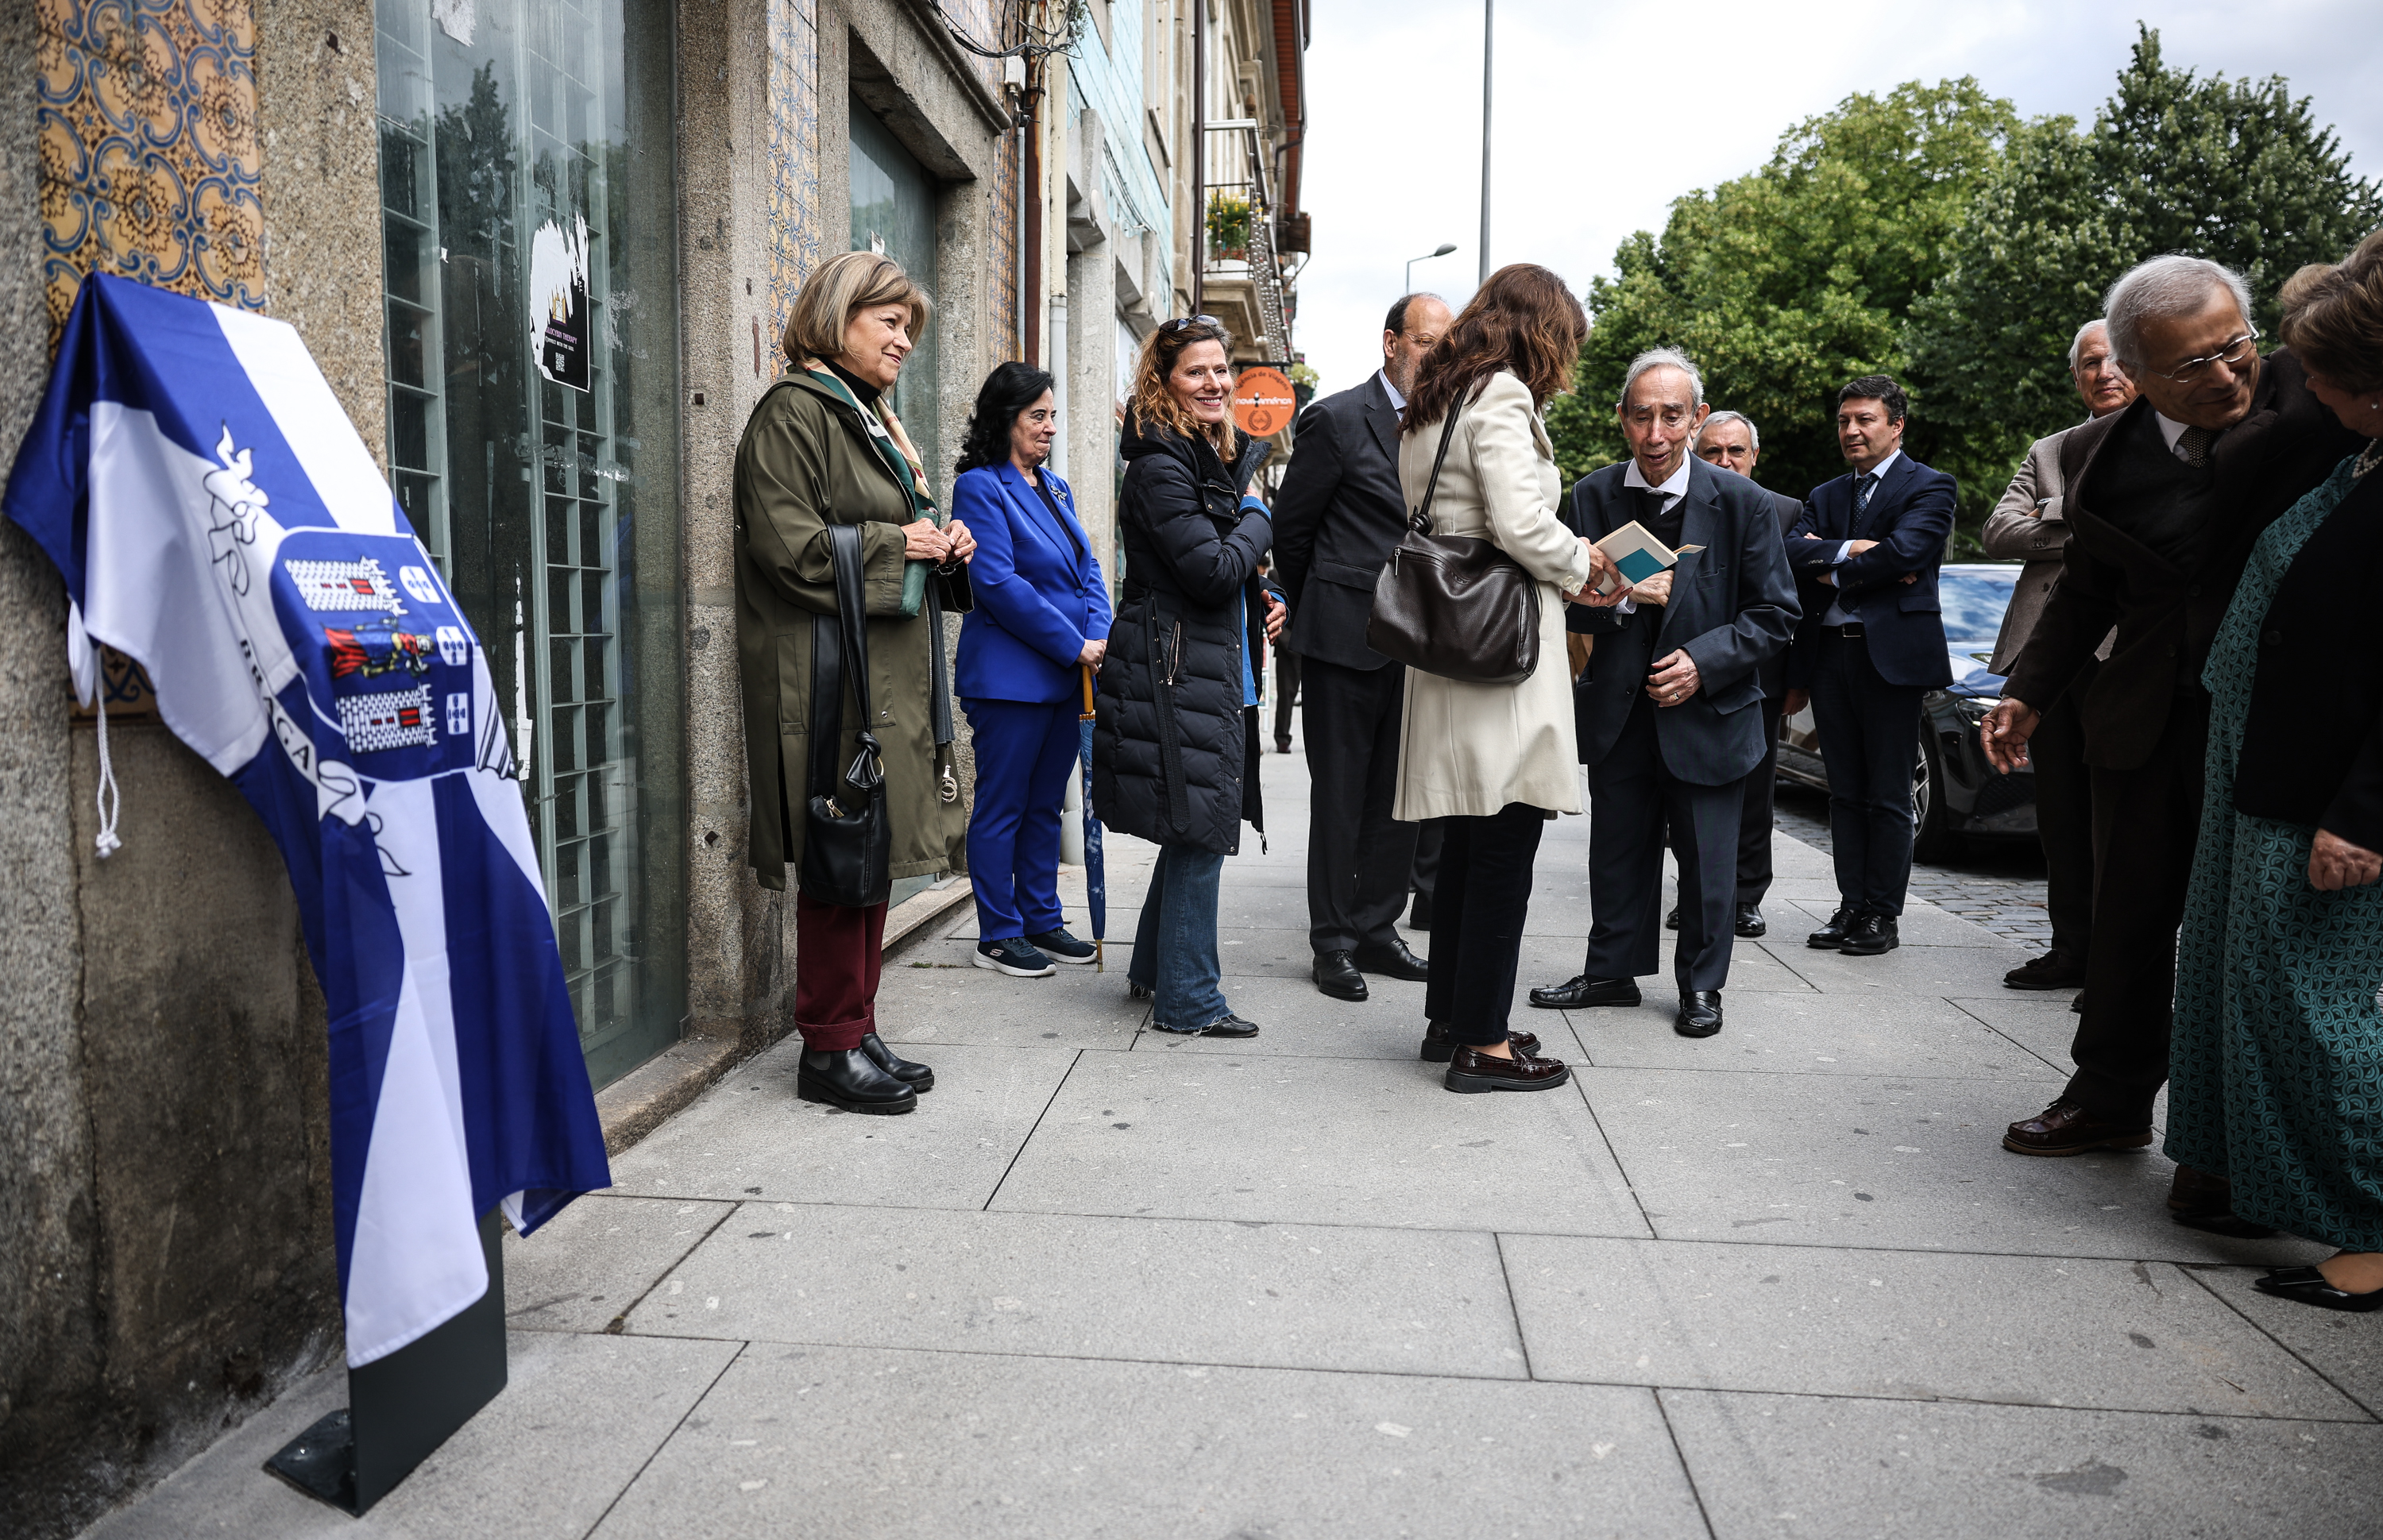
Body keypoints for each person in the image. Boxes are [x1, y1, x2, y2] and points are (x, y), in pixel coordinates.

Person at [1983, 257, 2364, 1172]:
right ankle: (2107, 1098)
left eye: (2235, 347)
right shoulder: (2101, 457)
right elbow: (2084, 590)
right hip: (2147, 716)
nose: (2227, 375)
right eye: (2192, 367)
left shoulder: (2320, 403)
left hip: (2281, 724)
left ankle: (2226, 1151)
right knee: (2128, 918)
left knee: (2253, 938)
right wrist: (2030, 691)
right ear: (2135, 373)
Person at [2166, 232, 2383, 1308]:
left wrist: (2365, 812)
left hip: (2326, 798)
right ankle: (2277, 1182)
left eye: (2323, 375)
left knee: (2322, 1010)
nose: (2305, 389)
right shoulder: (2362, 451)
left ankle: (2379, 1233)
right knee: (2255, 991)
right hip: (2263, 770)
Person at [733, 250, 975, 1114]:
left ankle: (858, 1025)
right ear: (837, 319)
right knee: (843, 854)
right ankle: (827, 1047)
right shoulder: (794, 415)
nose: (905, 340)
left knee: (868, 852)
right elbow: (790, 547)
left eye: (909, 324)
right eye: (890, 321)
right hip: (828, 679)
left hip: (876, 677)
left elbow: (877, 534)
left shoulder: (864, 416)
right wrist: (895, 543)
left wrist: (941, 547)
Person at [1390, 263, 1621, 1091]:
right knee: (1504, 848)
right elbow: (1521, 522)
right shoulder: (1502, 397)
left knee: (1467, 846)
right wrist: (1583, 559)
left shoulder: (1434, 400)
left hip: (1456, 646)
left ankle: (1453, 1016)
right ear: (1539, 330)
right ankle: (1482, 1045)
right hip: (1502, 655)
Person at [1528, 354, 1798, 1038]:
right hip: (1621, 710)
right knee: (1617, 848)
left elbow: (1776, 614)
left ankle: (1702, 986)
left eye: (1672, 415)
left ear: (1697, 418)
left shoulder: (1745, 503)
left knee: (1709, 860)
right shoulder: (1591, 495)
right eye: (1641, 415)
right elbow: (1568, 606)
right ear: (1622, 419)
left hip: (1709, 710)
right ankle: (1611, 971)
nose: (1656, 432)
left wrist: (1704, 664)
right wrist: (1615, 599)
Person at [1093, 316, 1284, 1037]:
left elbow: (1226, 571)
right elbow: (1209, 570)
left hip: (1209, 664)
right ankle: (1190, 1001)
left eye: (1221, 370)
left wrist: (1267, 596)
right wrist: (1262, 515)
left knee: (1192, 825)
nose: (1216, 383)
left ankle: (1154, 972)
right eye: (1196, 372)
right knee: (1201, 830)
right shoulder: (1159, 466)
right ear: (1163, 381)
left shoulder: (1201, 453)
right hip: (1177, 669)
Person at [1271, 292, 1454, 1002]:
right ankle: (1334, 942)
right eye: (1427, 342)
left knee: (1402, 801)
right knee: (1342, 800)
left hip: (1421, 645)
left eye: (1446, 344)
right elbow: (1293, 531)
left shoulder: (1445, 428)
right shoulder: (1339, 418)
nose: (1437, 356)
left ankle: (1379, 930)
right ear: (1391, 343)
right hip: (1344, 643)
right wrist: (1326, 601)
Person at [1980, 319, 2136, 993]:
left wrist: (2055, 518)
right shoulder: (2051, 450)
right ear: (2076, 377)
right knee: (2061, 811)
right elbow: (1997, 530)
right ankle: (2070, 947)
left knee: (2122, 813)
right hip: (2047, 656)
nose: (2104, 373)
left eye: (2116, 360)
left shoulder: (2172, 442)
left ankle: (2120, 961)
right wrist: (2079, 511)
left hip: (2129, 654)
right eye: (2090, 364)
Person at [1782, 376, 1957, 957]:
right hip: (1830, 655)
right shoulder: (1828, 493)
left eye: (1865, 420)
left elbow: (1910, 551)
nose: (1852, 430)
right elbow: (1788, 552)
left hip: (1892, 660)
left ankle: (1882, 913)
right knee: (1844, 791)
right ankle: (1850, 903)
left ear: (1896, 425)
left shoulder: (1929, 486)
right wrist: (1856, 553)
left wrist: (1830, 563)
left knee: (1887, 792)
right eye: (1844, 421)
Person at [950, 362, 1111, 977]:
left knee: (1047, 804)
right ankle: (998, 932)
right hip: (1011, 680)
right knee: (1003, 805)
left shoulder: (1057, 488)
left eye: (1051, 416)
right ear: (1006, 419)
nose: (1048, 427)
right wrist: (1075, 643)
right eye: (1036, 416)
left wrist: (1098, 633)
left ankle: (1041, 918)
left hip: (1070, 675)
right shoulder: (981, 486)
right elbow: (996, 582)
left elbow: (1089, 570)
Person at [1689, 408, 1804, 938]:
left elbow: (1804, 605)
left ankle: (1746, 894)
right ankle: (1700, 891)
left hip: (1761, 677)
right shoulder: (1682, 507)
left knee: (1755, 793)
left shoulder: (1785, 511)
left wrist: (1798, 680)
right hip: (1690, 670)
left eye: (1736, 451)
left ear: (1754, 457)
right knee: (1688, 793)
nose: (1725, 461)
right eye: (1713, 451)